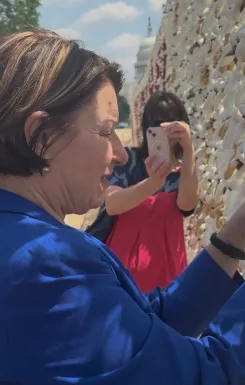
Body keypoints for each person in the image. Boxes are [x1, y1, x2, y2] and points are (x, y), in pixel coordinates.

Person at [0, 29, 245, 385]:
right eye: (105, 132)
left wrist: (236, 233)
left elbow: (147, 326)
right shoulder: (42, 260)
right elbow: (202, 376)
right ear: (42, 138)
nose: (119, 155)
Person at [86, 91, 198, 292]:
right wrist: (153, 183)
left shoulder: (184, 172)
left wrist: (189, 149)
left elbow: (187, 206)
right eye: (157, 122)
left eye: (171, 122)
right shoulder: (130, 160)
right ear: (147, 126)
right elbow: (112, 204)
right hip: (124, 268)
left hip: (168, 269)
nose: (165, 129)